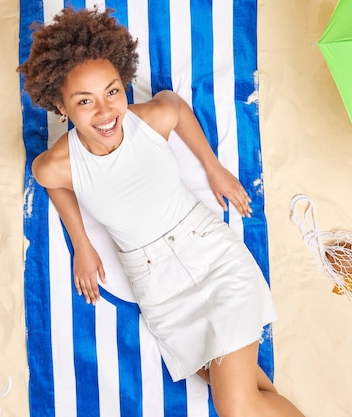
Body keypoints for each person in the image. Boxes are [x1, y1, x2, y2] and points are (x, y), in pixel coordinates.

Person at [18, 7, 305, 417]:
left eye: (112, 91)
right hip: (158, 287)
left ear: (122, 84)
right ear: (61, 108)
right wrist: (82, 244)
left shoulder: (151, 120)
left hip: (212, 256)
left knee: (235, 408)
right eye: (85, 101)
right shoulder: (54, 166)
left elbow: (175, 104)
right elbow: (56, 187)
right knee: (242, 392)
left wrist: (214, 168)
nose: (105, 112)